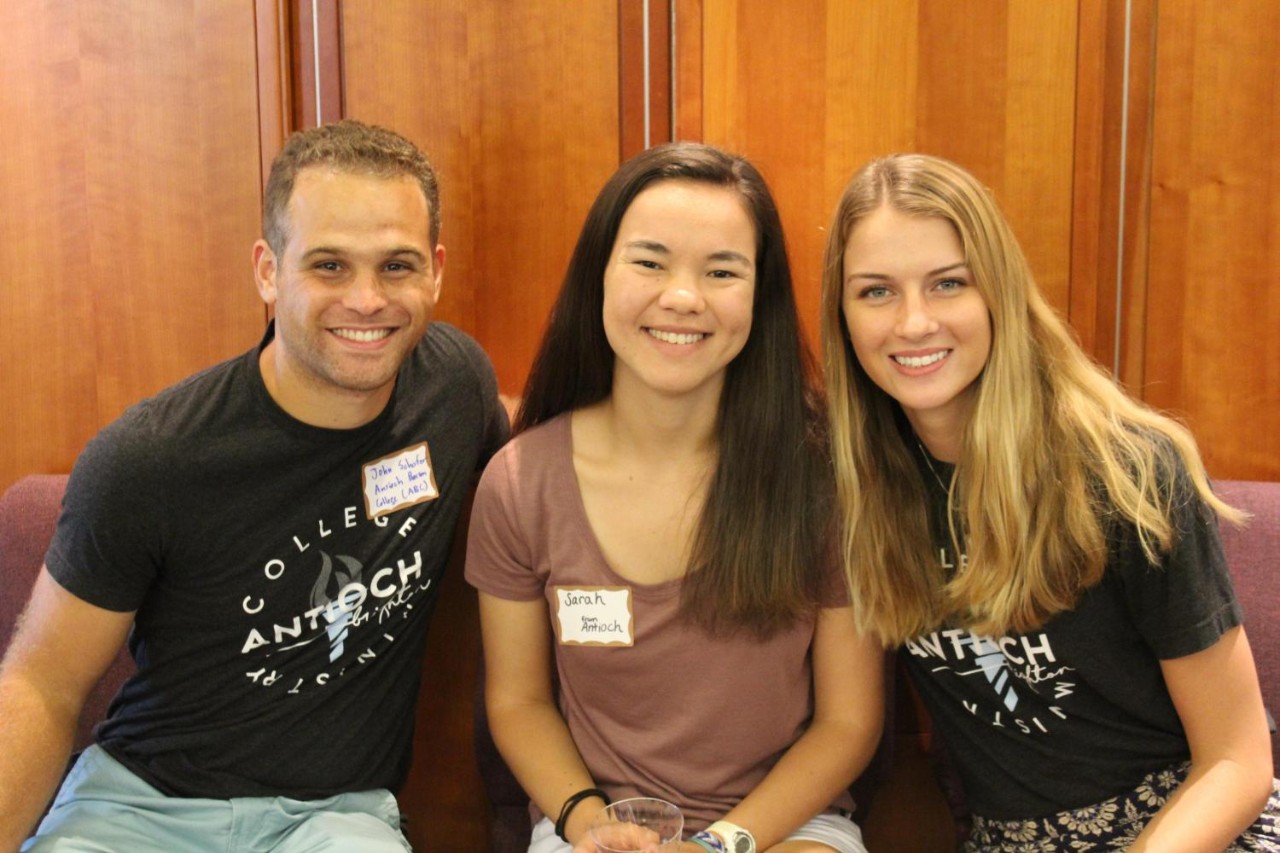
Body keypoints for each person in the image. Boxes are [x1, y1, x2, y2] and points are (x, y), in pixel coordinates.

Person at [0, 119, 509, 851]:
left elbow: (536, 476)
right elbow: (41, 685)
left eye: (396, 266)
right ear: (268, 271)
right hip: (139, 809)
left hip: (336, 818)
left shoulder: (456, 388)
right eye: (329, 266)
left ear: (436, 270)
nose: (367, 300)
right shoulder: (149, 459)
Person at [820, 152, 1280, 851]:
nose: (913, 323)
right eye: (876, 291)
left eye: (948, 283)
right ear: (844, 313)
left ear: (997, 292)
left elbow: (1237, 762)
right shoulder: (853, 487)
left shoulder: (1125, 472)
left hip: (1192, 827)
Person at [465, 141, 885, 853]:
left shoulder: (822, 474)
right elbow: (519, 700)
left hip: (782, 828)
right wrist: (589, 821)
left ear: (760, 295)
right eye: (650, 262)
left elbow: (848, 722)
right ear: (599, 275)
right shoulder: (520, 481)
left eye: (722, 271)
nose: (682, 297)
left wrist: (720, 843)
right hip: (593, 827)